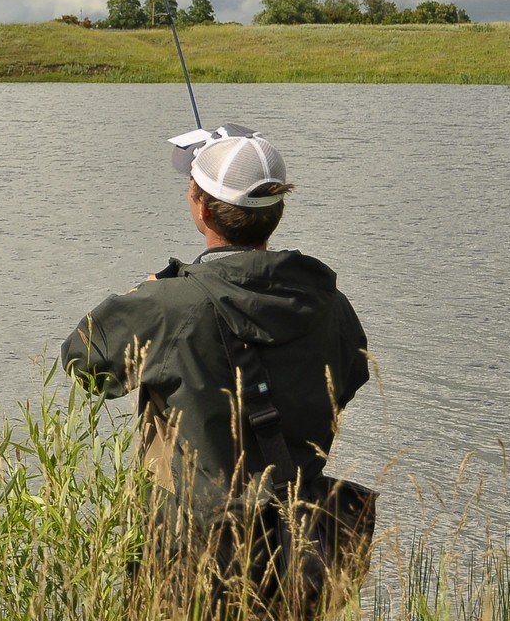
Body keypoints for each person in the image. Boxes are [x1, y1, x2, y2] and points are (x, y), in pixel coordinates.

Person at [61, 124, 370, 611]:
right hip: (299, 535)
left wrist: (151, 294)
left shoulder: (172, 303)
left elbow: (82, 361)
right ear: (276, 212)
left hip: (189, 541)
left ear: (201, 208)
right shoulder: (330, 304)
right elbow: (350, 377)